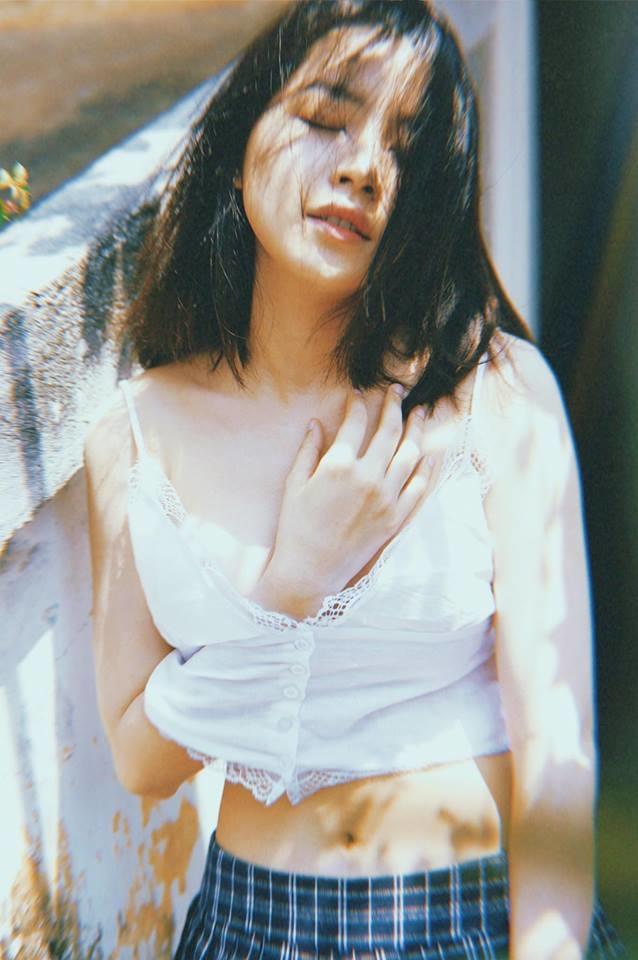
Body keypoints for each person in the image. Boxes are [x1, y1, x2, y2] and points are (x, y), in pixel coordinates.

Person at [84, 2, 626, 957]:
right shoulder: (134, 435)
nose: (365, 166)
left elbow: (557, 748)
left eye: (405, 149)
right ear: (241, 136)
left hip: (465, 918)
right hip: (248, 928)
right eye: (327, 117)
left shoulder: (495, 394)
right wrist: (291, 587)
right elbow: (139, 758)